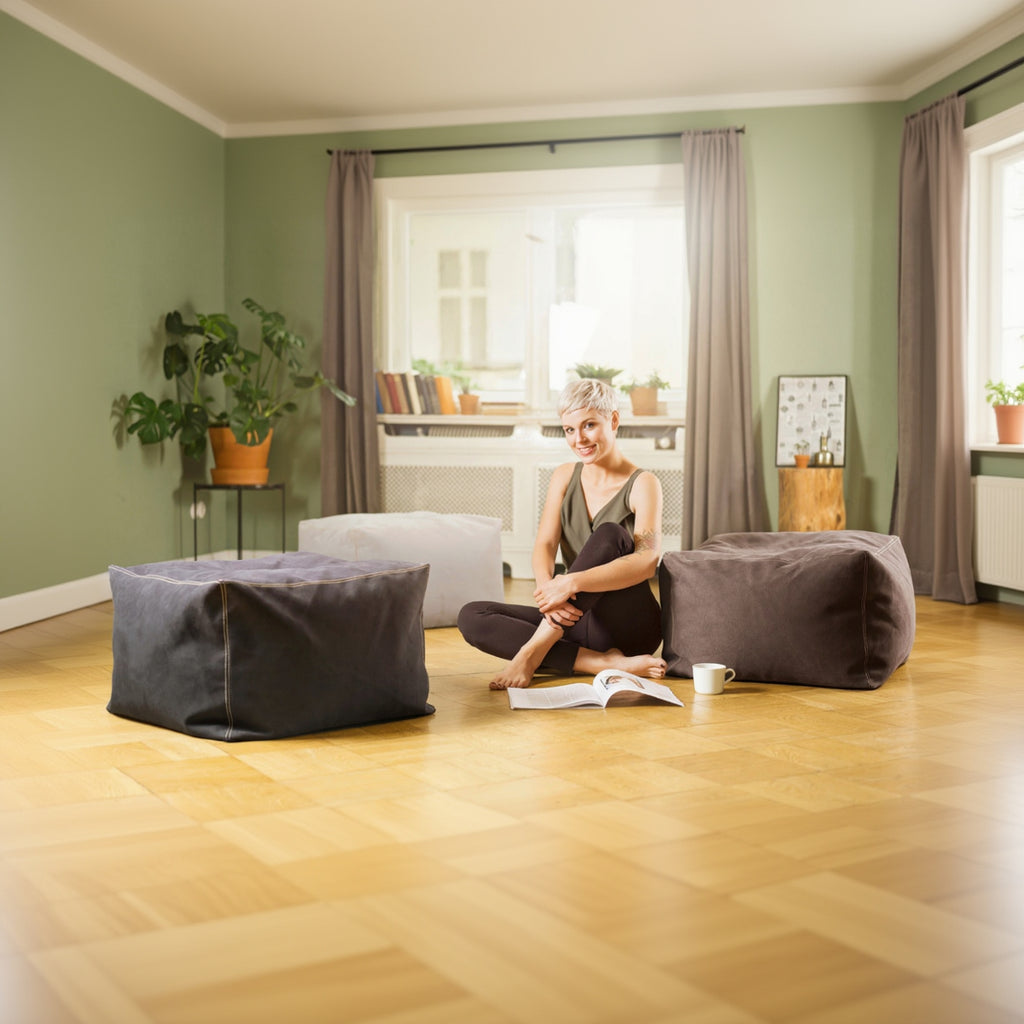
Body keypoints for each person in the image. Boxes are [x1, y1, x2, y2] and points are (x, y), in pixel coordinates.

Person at [457, 378, 666, 689]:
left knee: (610, 534)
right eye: (569, 429)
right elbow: (545, 544)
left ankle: (532, 652)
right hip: (575, 618)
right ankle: (602, 663)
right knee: (472, 615)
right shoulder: (564, 476)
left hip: (630, 628)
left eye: (589, 425)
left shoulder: (643, 483)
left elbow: (647, 561)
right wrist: (548, 593)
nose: (579, 439)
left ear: (614, 420)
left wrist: (571, 582)